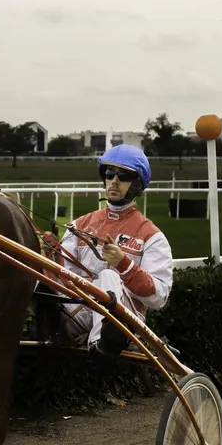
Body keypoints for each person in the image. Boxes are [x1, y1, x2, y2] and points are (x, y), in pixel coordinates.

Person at [44, 144, 173, 360]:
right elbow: (64, 274)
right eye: (109, 173)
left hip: (124, 324)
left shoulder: (152, 236)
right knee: (28, 270)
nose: (114, 180)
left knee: (108, 276)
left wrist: (124, 264)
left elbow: (159, 297)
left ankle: (100, 344)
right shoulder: (80, 225)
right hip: (77, 313)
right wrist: (51, 254)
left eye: (123, 176)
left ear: (137, 184)